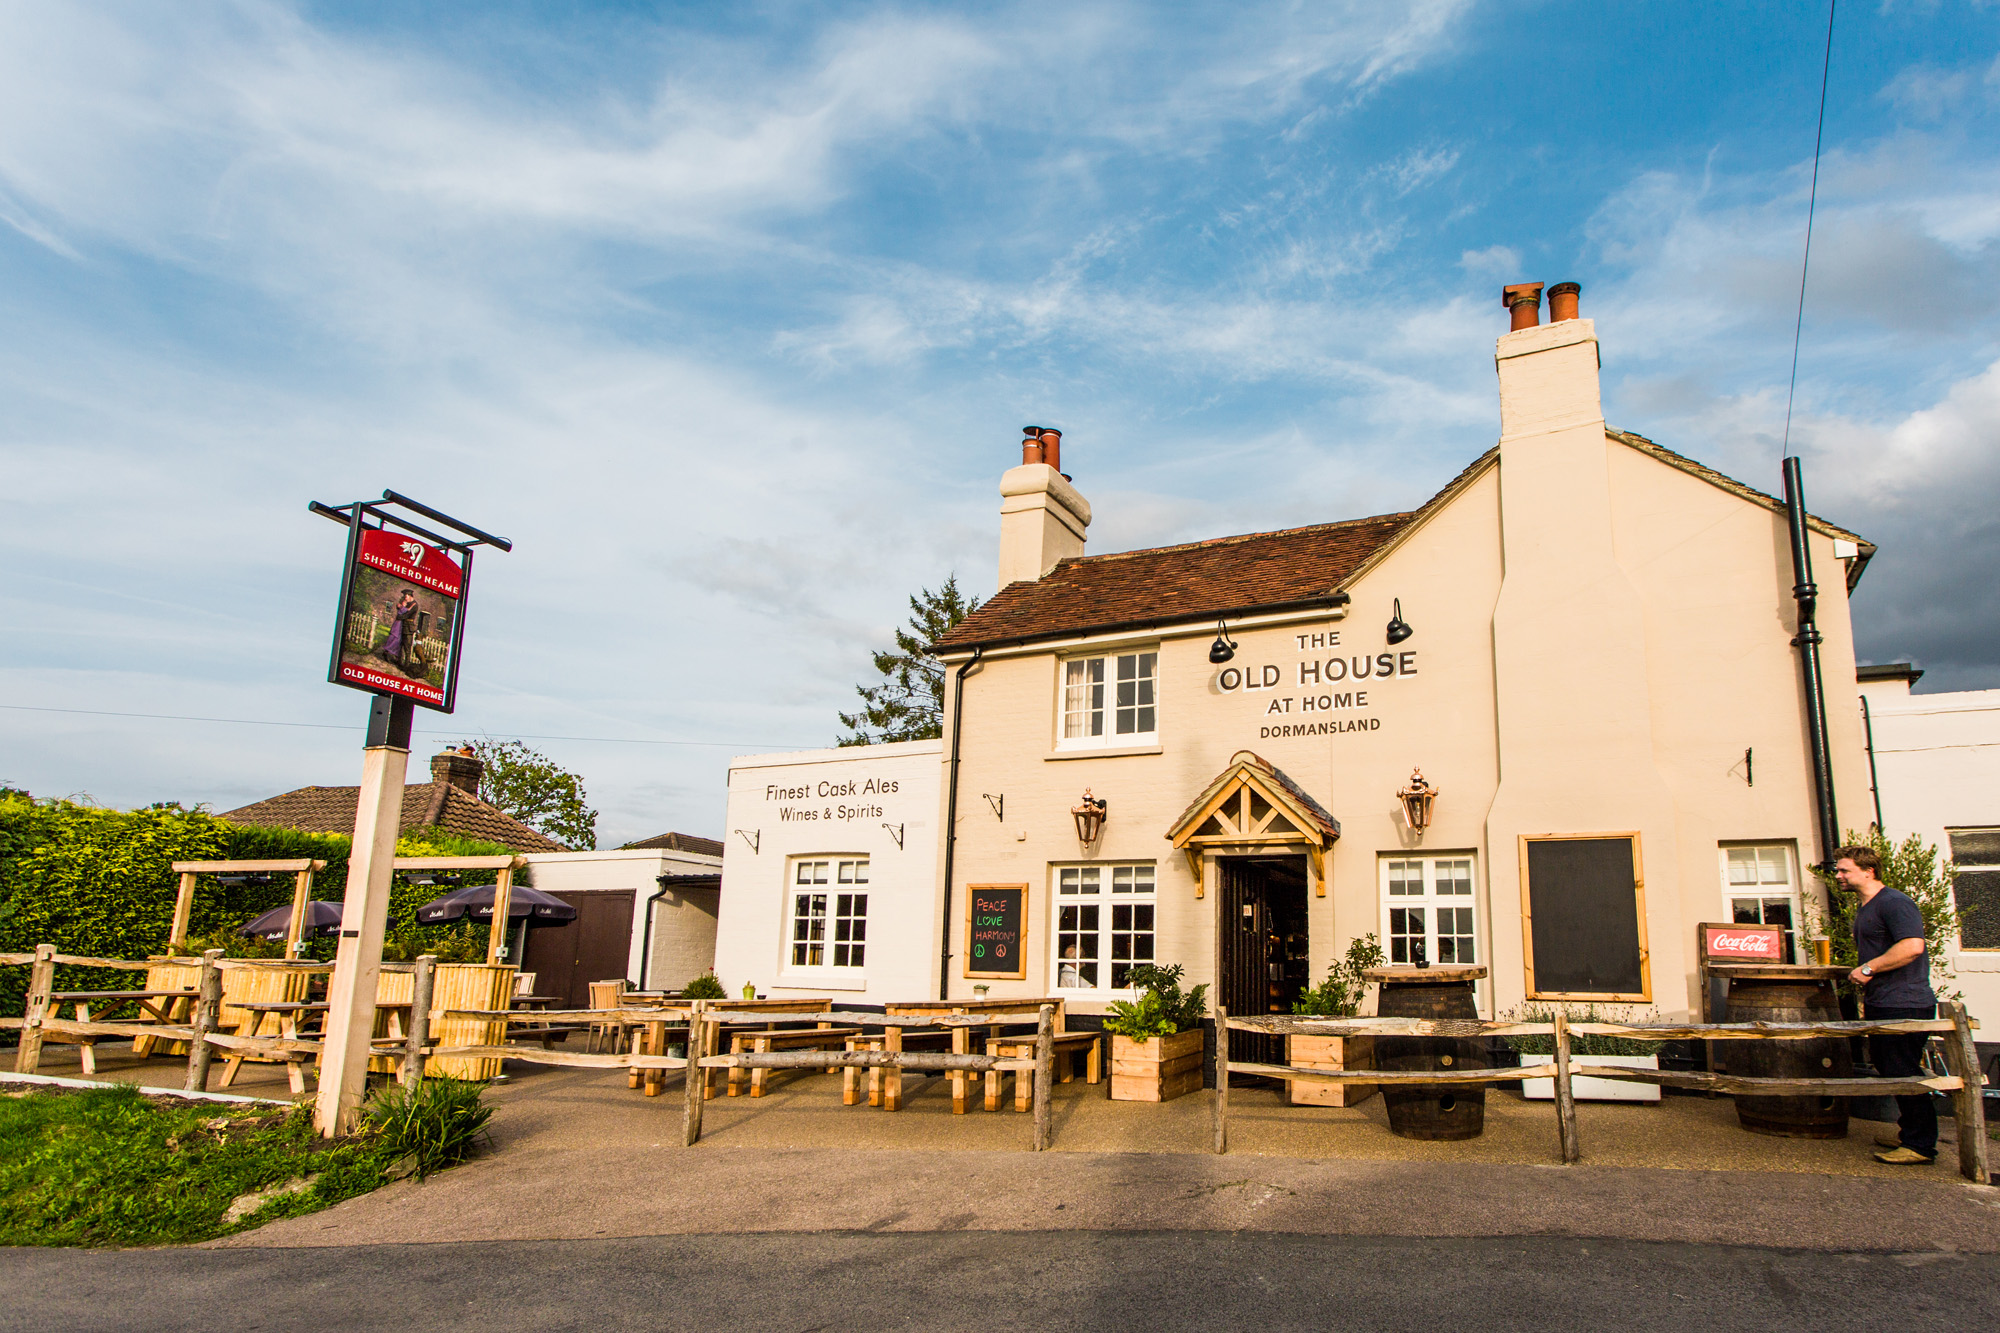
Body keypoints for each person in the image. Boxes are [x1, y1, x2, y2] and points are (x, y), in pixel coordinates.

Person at [1833, 844, 1937, 1165]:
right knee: (1890, 1067)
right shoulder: (1868, 907)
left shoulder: (1894, 903)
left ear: (1868, 871)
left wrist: (1868, 968)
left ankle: (1920, 1145)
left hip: (1905, 1003)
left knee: (1902, 1071)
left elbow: (1913, 946)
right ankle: (1910, 1133)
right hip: (1884, 1002)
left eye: (1844, 870)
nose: (1838, 876)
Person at [377, 589, 419, 672]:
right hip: (401, 626)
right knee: (399, 644)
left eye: (406, 596)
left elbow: (406, 615)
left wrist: (400, 615)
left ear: (410, 595)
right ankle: (398, 661)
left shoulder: (415, 605)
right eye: (404, 596)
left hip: (408, 628)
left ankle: (406, 666)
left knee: (407, 647)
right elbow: (399, 608)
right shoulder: (405, 602)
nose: (405, 598)